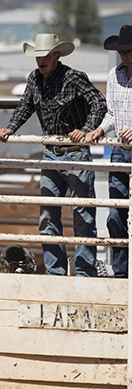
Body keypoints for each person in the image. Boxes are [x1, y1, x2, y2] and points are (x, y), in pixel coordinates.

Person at [0, 33, 107, 277]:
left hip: (76, 153)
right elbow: (25, 105)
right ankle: (55, 271)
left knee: (83, 215)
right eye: (38, 56)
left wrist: (86, 130)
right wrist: (11, 127)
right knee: (48, 215)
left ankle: (85, 271)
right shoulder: (34, 79)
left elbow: (99, 102)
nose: (41, 60)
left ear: (57, 55)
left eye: (46, 56)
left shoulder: (74, 78)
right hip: (51, 153)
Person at [85, 25, 132, 278]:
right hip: (119, 150)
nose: (124, 54)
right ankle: (121, 272)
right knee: (115, 212)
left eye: (128, 50)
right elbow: (112, 114)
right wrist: (99, 130)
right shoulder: (114, 75)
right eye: (121, 50)